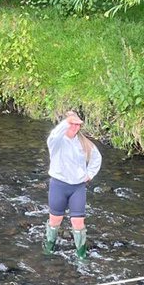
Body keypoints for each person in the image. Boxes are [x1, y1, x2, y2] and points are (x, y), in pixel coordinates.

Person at [44, 110, 102, 260]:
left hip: (78, 187)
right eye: (73, 124)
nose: (76, 128)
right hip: (58, 185)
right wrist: (67, 122)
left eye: (78, 125)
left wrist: (89, 174)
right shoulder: (56, 141)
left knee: (78, 222)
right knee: (55, 220)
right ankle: (49, 248)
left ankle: (81, 255)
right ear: (65, 124)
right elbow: (54, 135)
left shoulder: (84, 143)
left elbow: (97, 158)